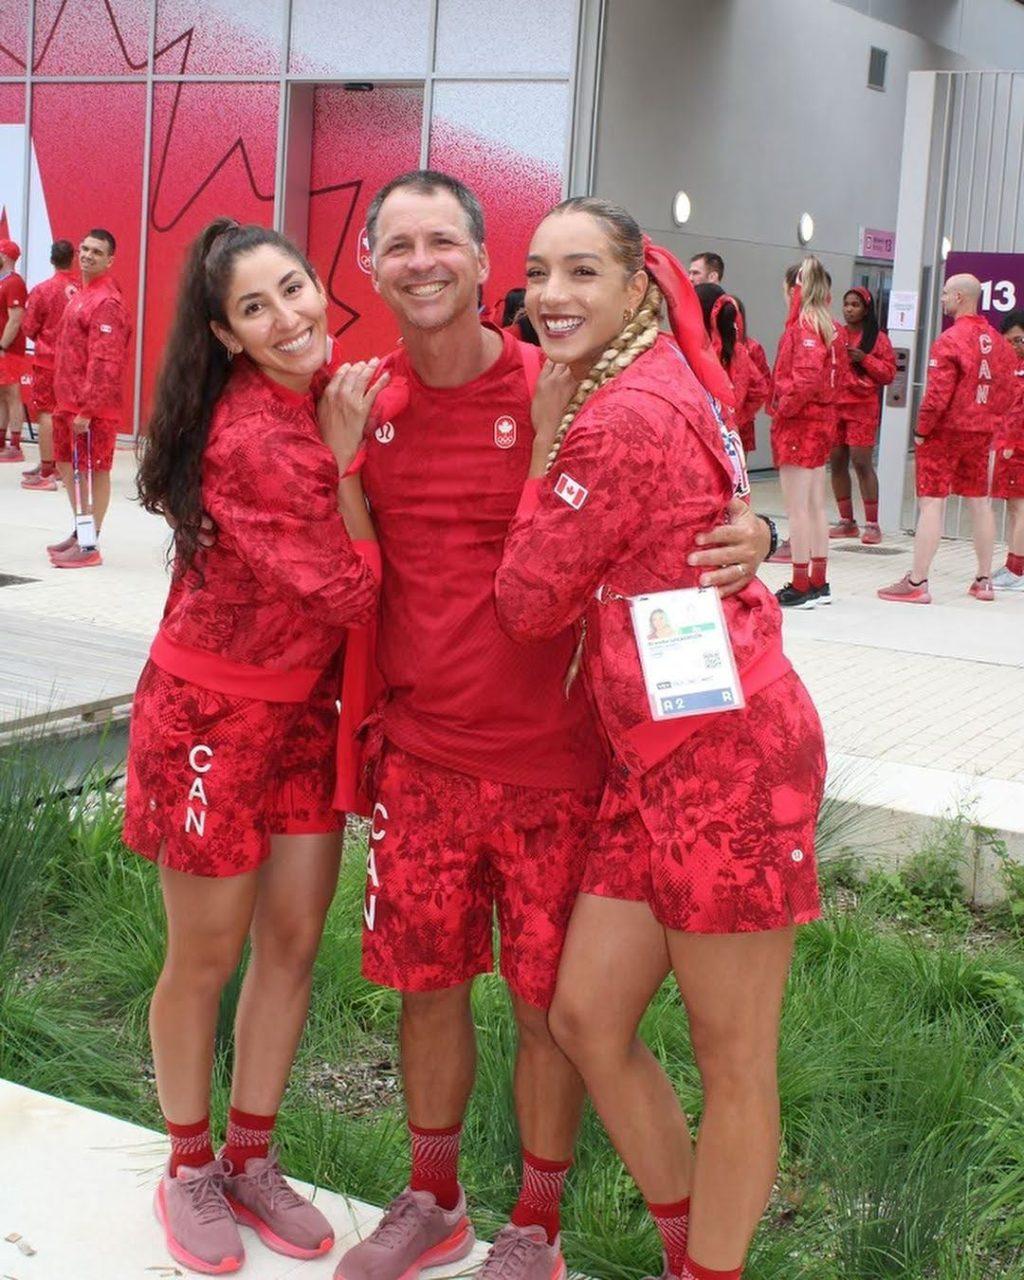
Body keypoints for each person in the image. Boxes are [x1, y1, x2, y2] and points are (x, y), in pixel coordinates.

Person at [331, 170, 773, 1280]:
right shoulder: (359, 400)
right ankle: (430, 1197)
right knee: (428, 989)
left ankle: (535, 1225)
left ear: (484, 267)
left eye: (446, 241)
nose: (421, 260)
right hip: (424, 757)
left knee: (551, 1011)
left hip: (568, 763)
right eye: (398, 243)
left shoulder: (565, 385)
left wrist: (755, 529)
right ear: (369, 266)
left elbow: (676, 491)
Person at [492, 196, 826, 1280]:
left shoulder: (615, 414)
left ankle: (706, 1272)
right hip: (653, 759)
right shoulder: (655, 375)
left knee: (734, 1059)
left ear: (637, 286)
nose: (551, 294)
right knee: (587, 1013)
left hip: (727, 761)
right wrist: (764, 530)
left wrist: (542, 443)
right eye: (539, 270)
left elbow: (528, 599)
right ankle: (689, 1246)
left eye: (581, 272)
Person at [127, 219, 384, 1275]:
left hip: (301, 721)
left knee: (289, 944)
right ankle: (189, 1166)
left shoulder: (311, 403)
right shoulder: (258, 438)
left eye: (294, 288)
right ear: (227, 336)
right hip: (212, 723)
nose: (288, 318)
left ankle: (251, 1155)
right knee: (205, 957)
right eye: (255, 309)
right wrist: (343, 461)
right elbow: (350, 585)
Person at [878, 273, 1016, 604]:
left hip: (944, 434)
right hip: (981, 434)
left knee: (932, 503)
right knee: (980, 504)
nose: (941, 300)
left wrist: (922, 431)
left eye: (945, 294)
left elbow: (938, 395)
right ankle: (984, 580)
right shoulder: (998, 342)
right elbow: (1009, 388)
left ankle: (918, 581)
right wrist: (990, 421)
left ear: (960, 297)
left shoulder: (950, 340)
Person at [46, 229, 131, 568]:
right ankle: (82, 529)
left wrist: (89, 408)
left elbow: (106, 361)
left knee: (93, 472)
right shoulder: (82, 295)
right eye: (84, 249)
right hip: (68, 402)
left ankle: (89, 545)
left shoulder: (106, 301)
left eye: (97, 251)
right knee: (69, 468)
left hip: (91, 408)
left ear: (110, 260)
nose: (87, 255)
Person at [770, 258, 842, 608]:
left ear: (793, 289)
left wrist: (782, 408)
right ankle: (818, 579)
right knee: (815, 506)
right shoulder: (831, 328)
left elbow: (805, 380)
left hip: (800, 424)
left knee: (797, 508)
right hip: (823, 421)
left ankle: (800, 584)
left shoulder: (803, 328)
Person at [829, 287, 895, 544]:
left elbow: (888, 373)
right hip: (836, 406)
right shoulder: (836, 335)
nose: (849, 309)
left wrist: (864, 359)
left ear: (866, 309)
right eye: (846, 304)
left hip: (862, 406)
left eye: (855, 304)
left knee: (861, 462)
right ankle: (846, 522)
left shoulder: (878, 339)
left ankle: (873, 523)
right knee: (836, 462)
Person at [20, 238, 79, 491]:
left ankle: (47, 470)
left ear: (52, 259)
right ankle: (63, 465)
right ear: (73, 258)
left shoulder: (43, 290)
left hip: (48, 359)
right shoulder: (81, 288)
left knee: (46, 412)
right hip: (74, 361)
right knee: (69, 414)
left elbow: (29, 326)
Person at [695, 284, 769, 457]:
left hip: (705, 439)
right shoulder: (739, 350)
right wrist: (734, 420)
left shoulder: (696, 351)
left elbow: (760, 388)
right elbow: (760, 389)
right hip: (731, 435)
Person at [991, 310, 1024, 592]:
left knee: (1019, 508)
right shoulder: (1010, 367)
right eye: (1009, 342)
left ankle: (1017, 570)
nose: (1014, 347)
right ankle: (1014, 565)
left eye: (1018, 340)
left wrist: (1011, 446)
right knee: (1015, 509)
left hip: (1018, 448)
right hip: (1009, 446)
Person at [0, 238, 28, 462]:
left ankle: (15, 445)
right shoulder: (2, 282)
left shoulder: (14, 283)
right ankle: (2, 441)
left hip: (8, 349)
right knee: (1, 395)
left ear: (5, 257)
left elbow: (16, 319)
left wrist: (3, 345)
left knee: (11, 393)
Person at [733, 297, 771, 456]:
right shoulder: (707, 347)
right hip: (714, 422)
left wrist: (742, 415)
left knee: (739, 474)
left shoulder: (752, 348)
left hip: (742, 422)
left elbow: (764, 386)